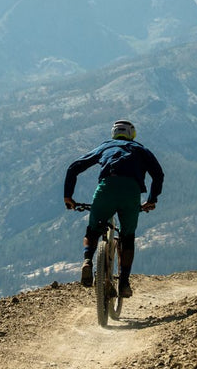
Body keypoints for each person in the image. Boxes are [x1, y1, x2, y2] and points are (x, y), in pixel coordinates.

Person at [63, 119, 164, 298]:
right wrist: (152, 199)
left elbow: (74, 167)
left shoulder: (106, 147)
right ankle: (124, 282)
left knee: (92, 230)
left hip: (106, 188)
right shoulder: (140, 149)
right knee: (127, 236)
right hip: (131, 193)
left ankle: (87, 261)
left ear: (113, 133)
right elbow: (158, 174)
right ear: (132, 134)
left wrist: (68, 196)